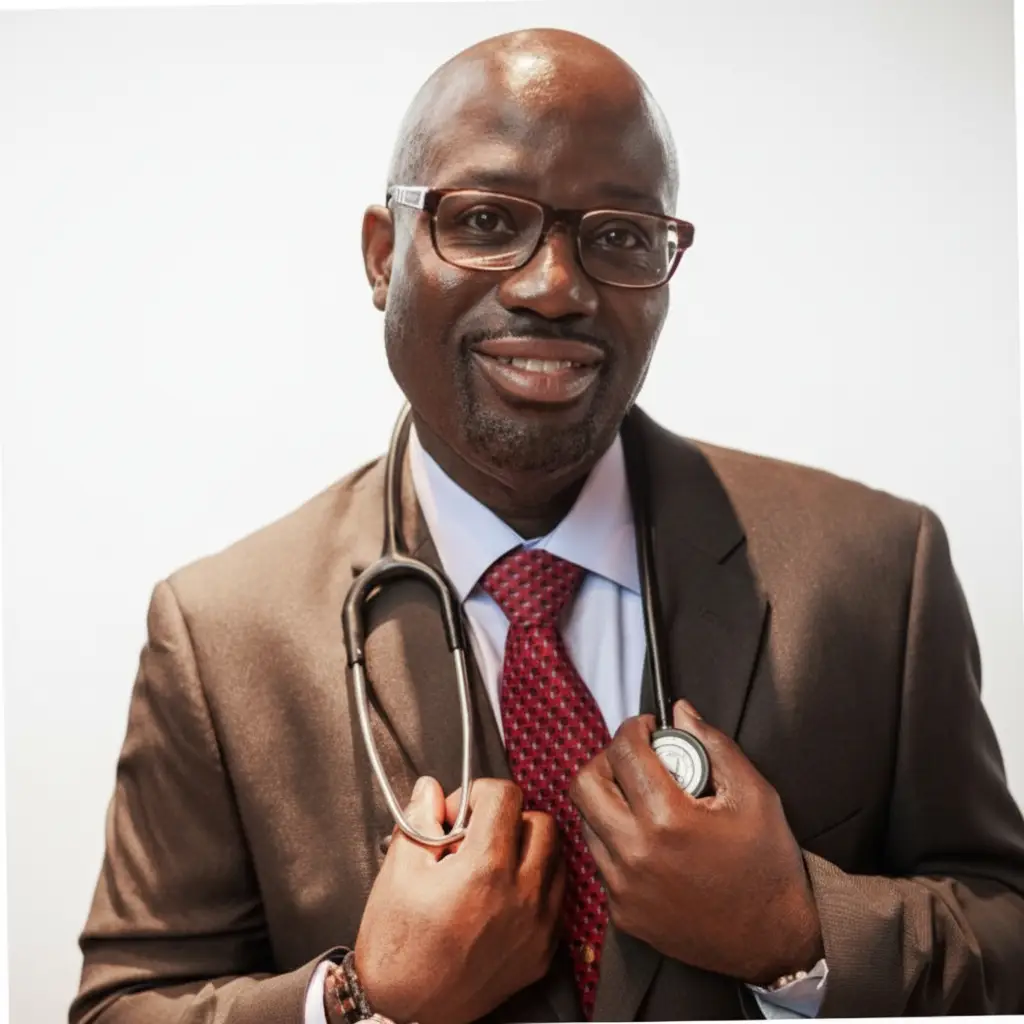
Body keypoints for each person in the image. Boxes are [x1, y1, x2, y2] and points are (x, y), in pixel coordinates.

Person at [70, 26, 1024, 1024]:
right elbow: (124, 1006)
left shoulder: (876, 570)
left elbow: (1003, 920)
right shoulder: (220, 632)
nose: (552, 287)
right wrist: (366, 1001)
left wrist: (799, 934)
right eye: (484, 220)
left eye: (617, 236)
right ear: (383, 254)